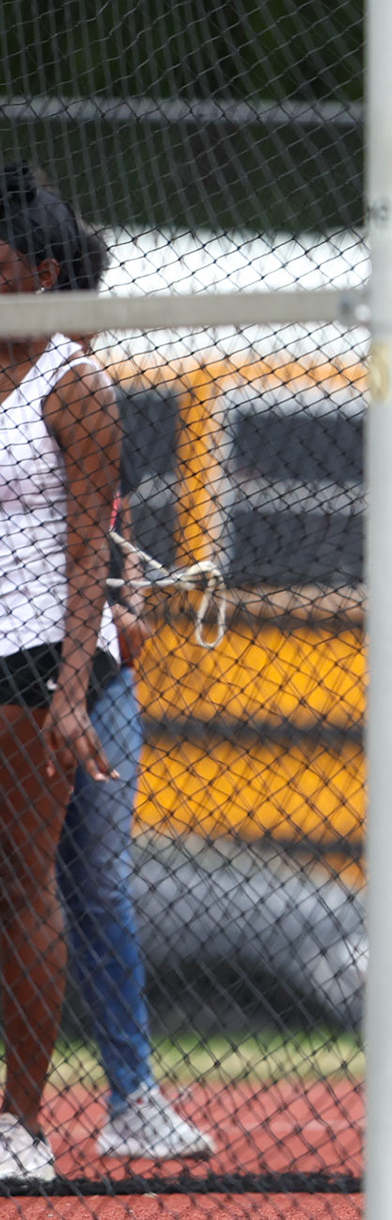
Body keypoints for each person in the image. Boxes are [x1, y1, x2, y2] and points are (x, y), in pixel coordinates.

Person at [51, 218, 215, 1162]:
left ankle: (133, 1099)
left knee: (101, 889)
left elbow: (100, 554)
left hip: (102, 679)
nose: (96, 321)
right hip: (22, 673)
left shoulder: (94, 396)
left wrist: (126, 611)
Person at [0, 162, 121, 1181]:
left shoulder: (73, 386)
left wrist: (73, 691)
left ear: (41, 274)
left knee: (22, 880)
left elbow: (93, 552)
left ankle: (22, 1123)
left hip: (35, 652)